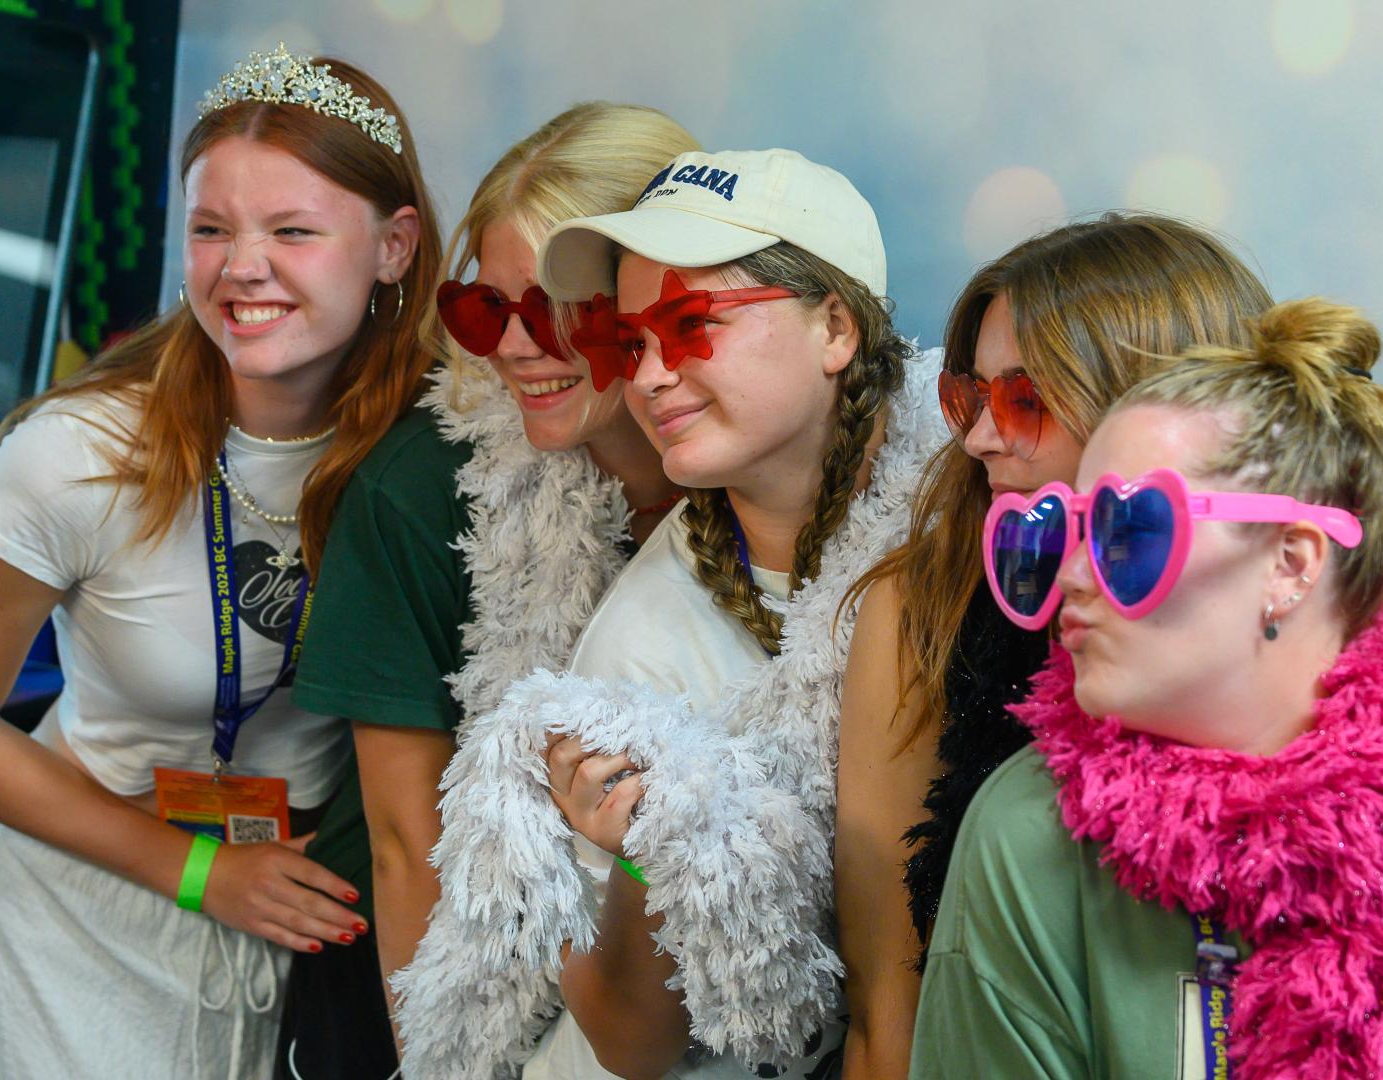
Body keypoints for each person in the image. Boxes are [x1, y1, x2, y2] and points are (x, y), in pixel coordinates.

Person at [909, 298, 1383, 1078]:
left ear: (1291, 563)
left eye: (1127, 532)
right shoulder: (1025, 830)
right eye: (1066, 529)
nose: (1074, 575)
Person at [0, 44, 441, 1078]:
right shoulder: (77, 454)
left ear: (394, 246)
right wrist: (199, 874)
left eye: (292, 230)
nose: (242, 266)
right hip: (80, 921)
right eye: (210, 229)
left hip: (302, 921)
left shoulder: (441, 446)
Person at [396, 148, 948, 1078]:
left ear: (836, 327)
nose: (649, 376)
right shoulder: (638, 646)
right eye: (629, 341)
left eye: (690, 325)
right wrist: (650, 851)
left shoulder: (972, 510)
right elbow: (630, 1044)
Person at [274, 101, 697, 1078]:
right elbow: (403, 841)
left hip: (657, 972)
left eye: (554, 310)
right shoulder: (419, 490)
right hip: (413, 971)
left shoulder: (754, 472)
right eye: (485, 309)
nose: (512, 345)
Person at [832, 214, 1272, 1077]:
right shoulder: (924, 607)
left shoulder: (1296, 619)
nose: (979, 437)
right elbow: (889, 1011)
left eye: (1024, 400)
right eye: (970, 399)